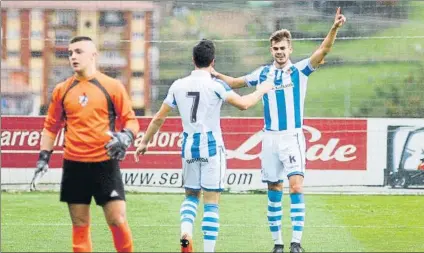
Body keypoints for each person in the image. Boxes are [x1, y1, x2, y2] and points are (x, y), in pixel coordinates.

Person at [211, 8, 347, 253]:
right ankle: (278, 244)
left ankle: (296, 243)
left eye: (283, 48)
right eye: (275, 48)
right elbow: (234, 83)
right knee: (273, 189)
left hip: (292, 137)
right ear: (271, 50)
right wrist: (213, 73)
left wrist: (334, 28)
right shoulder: (263, 73)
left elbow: (323, 51)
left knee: (296, 186)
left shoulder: (300, 71)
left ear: (290, 49)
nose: (280, 52)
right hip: (270, 138)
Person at [134, 39, 273, 253]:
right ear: (213, 62)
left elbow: (159, 118)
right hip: (211, 146)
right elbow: (244, 104)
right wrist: (262, 89)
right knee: (211, 202)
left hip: (189, 145)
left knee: (191, 196)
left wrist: (144, 142)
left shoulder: (178, 85)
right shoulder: (216, 85)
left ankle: (186, 232)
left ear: (193, 60)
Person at [34, 36, 139, 252]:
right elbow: (50, 126)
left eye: (79, 52)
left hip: (105, 164)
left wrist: (126, 136)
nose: (73, 56)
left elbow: (131, 120)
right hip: (74, 165)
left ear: (93, 55)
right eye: (70, 53)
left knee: (117, 220)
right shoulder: (62, 90)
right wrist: (44, 156)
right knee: (80, 226)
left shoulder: (112, 86)